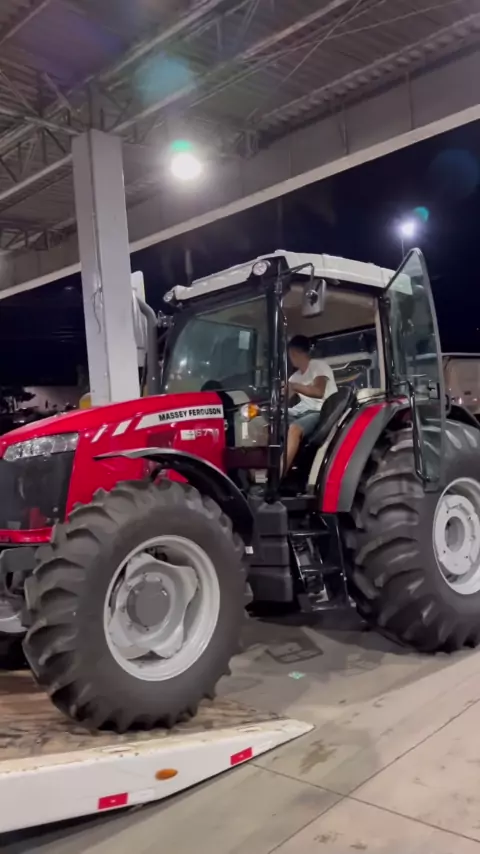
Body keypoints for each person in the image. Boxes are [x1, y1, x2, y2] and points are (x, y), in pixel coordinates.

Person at [283, 334, 337, 474]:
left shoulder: (319, 366)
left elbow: (319, 392)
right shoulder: (295, 377)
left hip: (320, 411)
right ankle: (259, 473)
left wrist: (295, 386)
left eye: (290, 355)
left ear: (293, 353)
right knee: (269, 421)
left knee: (294, 429)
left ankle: (278, 475)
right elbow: (284, 399)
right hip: (301, 412)